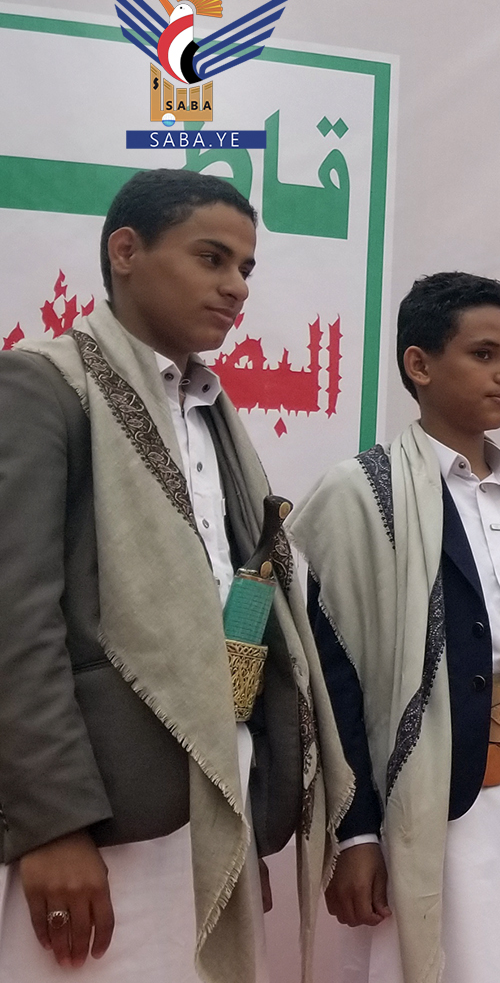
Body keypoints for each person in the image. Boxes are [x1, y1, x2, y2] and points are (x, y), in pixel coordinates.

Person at [0, 168, 351, 983]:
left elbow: (242, 604)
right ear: (126, 251)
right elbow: (15, 622)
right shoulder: (41, 386)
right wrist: (53, 826)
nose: (236, 287)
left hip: (211, 805)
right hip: (101, 821)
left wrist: (240, 818)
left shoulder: (212, 414)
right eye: (211, 258)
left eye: (246, 269)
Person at [290, 272, 500, 983]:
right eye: (484, 354)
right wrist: (355, 833)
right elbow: (333, 679)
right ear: (419, 364)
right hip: (431, 802)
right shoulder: (361, 496)